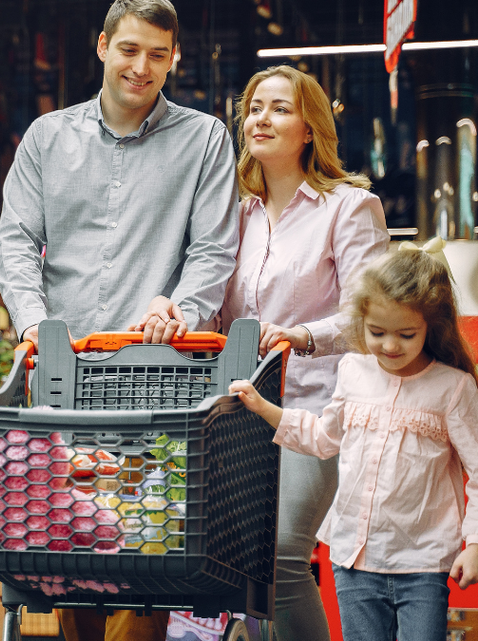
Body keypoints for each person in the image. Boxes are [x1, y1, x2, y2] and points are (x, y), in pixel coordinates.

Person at [0, 0, 240, 638]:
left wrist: (182, 311)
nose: (142, 67)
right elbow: (16, 241)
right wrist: (32, 326)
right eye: (130, 50)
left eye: (158, 55)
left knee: (148, 551)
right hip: (61, 379)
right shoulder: (48, 138)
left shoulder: (205, 139)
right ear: (102, 46)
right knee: (71, 549)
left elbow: (212, 249)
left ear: (173, 59)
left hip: (157, 380)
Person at [133, 64, 388, 639]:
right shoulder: (231, 216)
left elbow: (372, 316)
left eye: (279, 108)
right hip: (237, 412)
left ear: (309, 129)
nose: (261, 119)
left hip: (315, 408)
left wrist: (302, 336)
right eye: (254, 108)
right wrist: (175, 311)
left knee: (281, 555)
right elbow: (214, 307)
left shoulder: (348, 208)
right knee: (240, 566)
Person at [229, 247, 478, 641]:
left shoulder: (452, 387)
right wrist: (265, 408)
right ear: (361, 321)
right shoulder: (353, 370)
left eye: (406, 334)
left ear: (433, 325)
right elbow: (325, 437)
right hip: (354, 561)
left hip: (423, 564)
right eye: (376, 332)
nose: (390, 346)